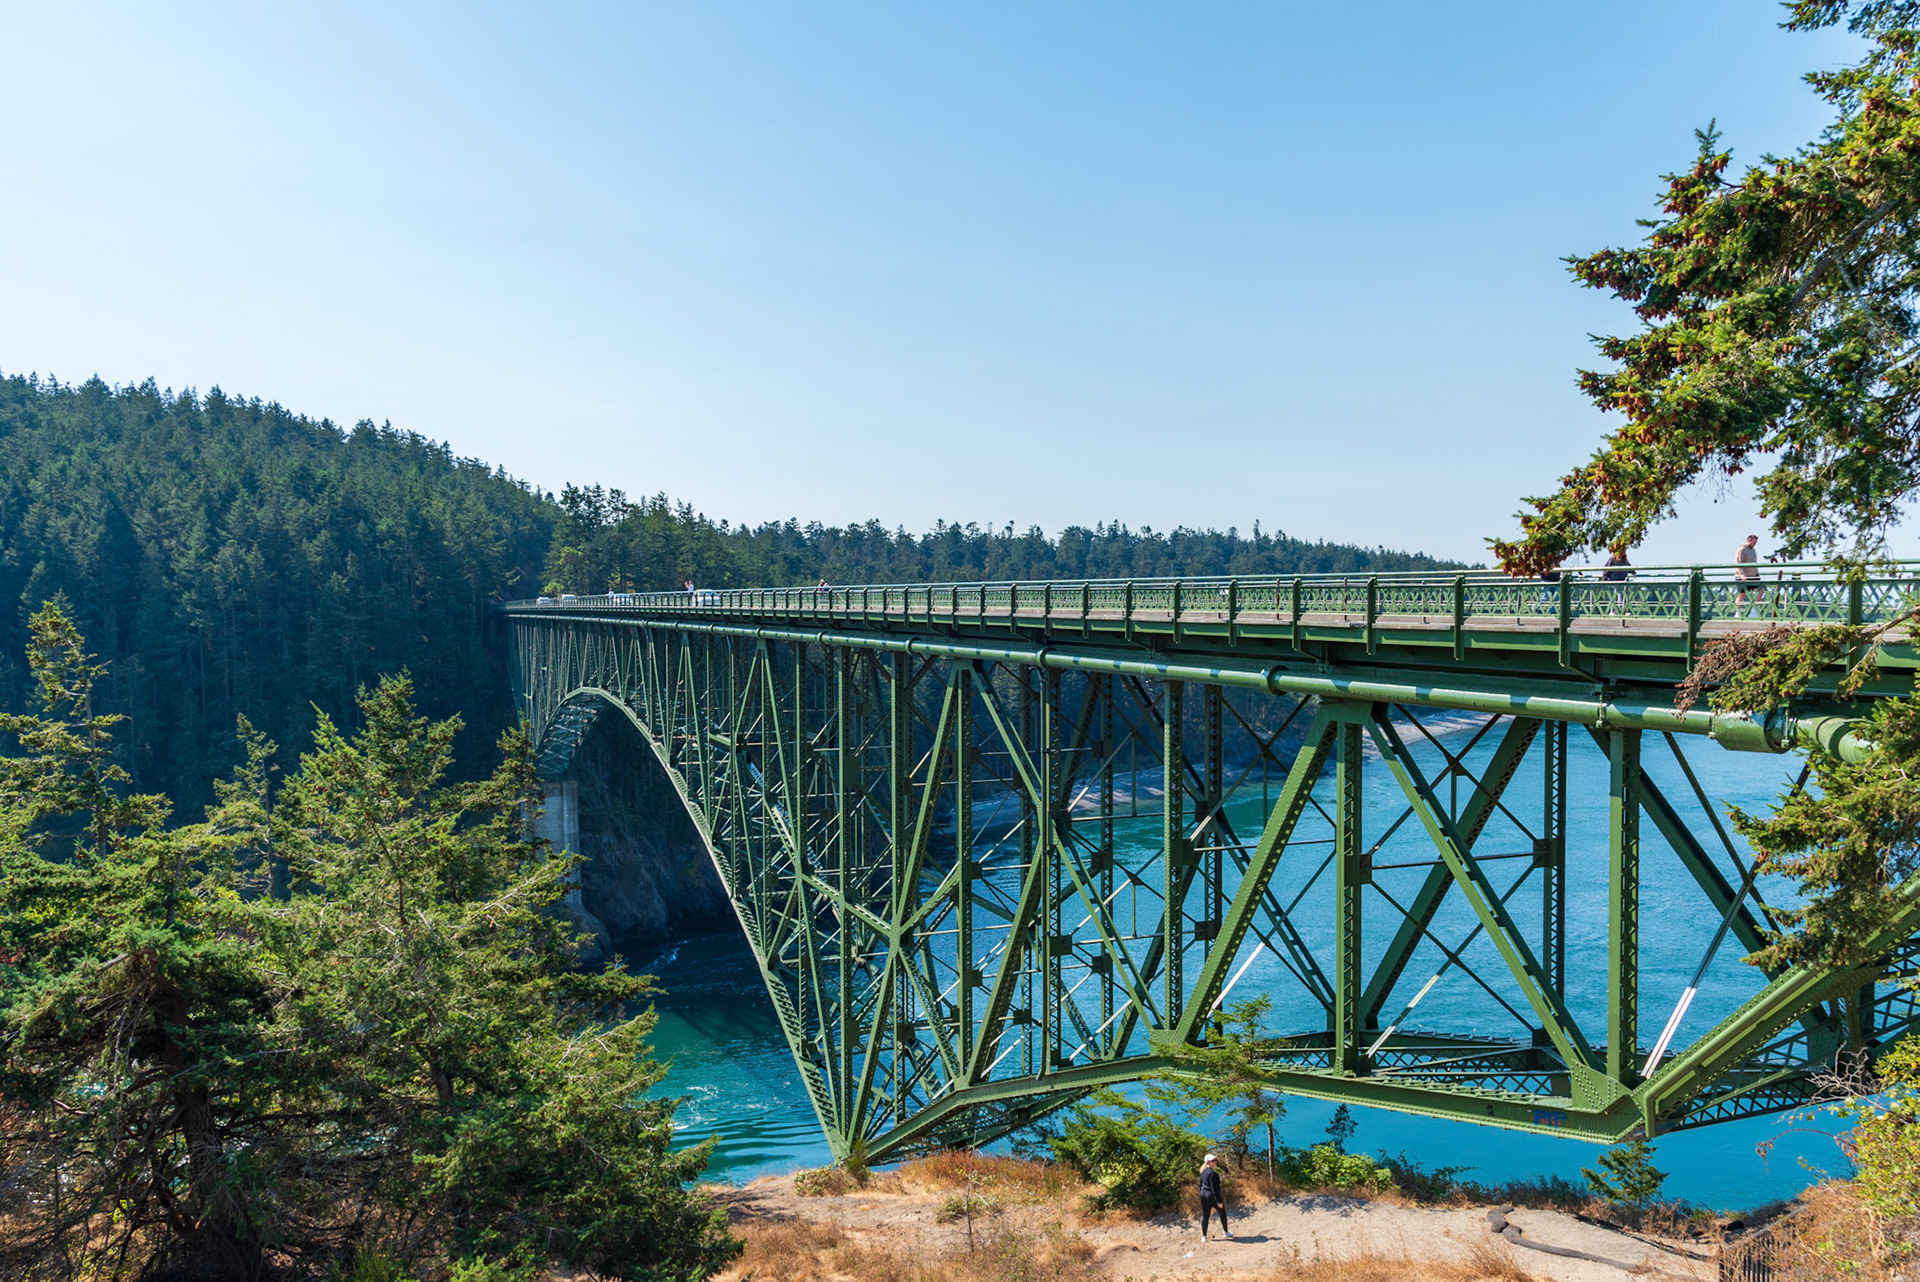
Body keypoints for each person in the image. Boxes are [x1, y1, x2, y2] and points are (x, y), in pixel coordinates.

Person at [1198, 1153, 1231, 1241]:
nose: (1215, 1162)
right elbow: (1215, 1189)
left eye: (1215, 1160)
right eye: (1213, 1161)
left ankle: (1204, 1236)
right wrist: (1219, 1201)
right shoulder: (1212, 1174)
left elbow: (1200, 1184)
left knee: (1205, 1215)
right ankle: (1226, 1232)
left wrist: (1201, 1193)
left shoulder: (1202, 1171)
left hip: (1203, 1194)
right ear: (1208, 1162)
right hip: (1210, 1195)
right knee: (1222, 1213)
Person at [1734, 535, 1763, 614]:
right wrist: (1742, 575)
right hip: (1743, 576)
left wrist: (1757, 574)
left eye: (1756, 543)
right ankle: (1738, 613)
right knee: (1741, 595)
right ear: (1749, 540)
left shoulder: (1753, 550)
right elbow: (1738, 563)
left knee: (1760, 591)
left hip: (1753, 575)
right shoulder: (1741, 550)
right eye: (1754, 542)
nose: (1755, 544)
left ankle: (1754, 612)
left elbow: (1754, 564)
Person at [1603, 544, 1632, 611]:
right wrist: (1605, 576)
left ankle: (1618, 610)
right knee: (1618, 594)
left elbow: (1629, 567)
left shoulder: (1624, 559)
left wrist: (1633, 572)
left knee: (1622, 594)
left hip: (1623, 579)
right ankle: (1618, 610)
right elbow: (1607, 567)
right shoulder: (1613, 559)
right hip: (1615, 579)